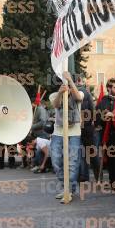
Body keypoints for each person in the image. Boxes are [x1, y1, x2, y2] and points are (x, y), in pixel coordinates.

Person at [49, 71, 84, 203]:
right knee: (56, 160)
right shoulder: (54, 95)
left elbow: (79, 98)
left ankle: (69, 190)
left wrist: (70, 80)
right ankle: (65, 187)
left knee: (73, 161)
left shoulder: (78, 93)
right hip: (58, 132)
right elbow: (56, 105)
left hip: (74, 133)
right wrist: (60, 93)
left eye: (67, 82)